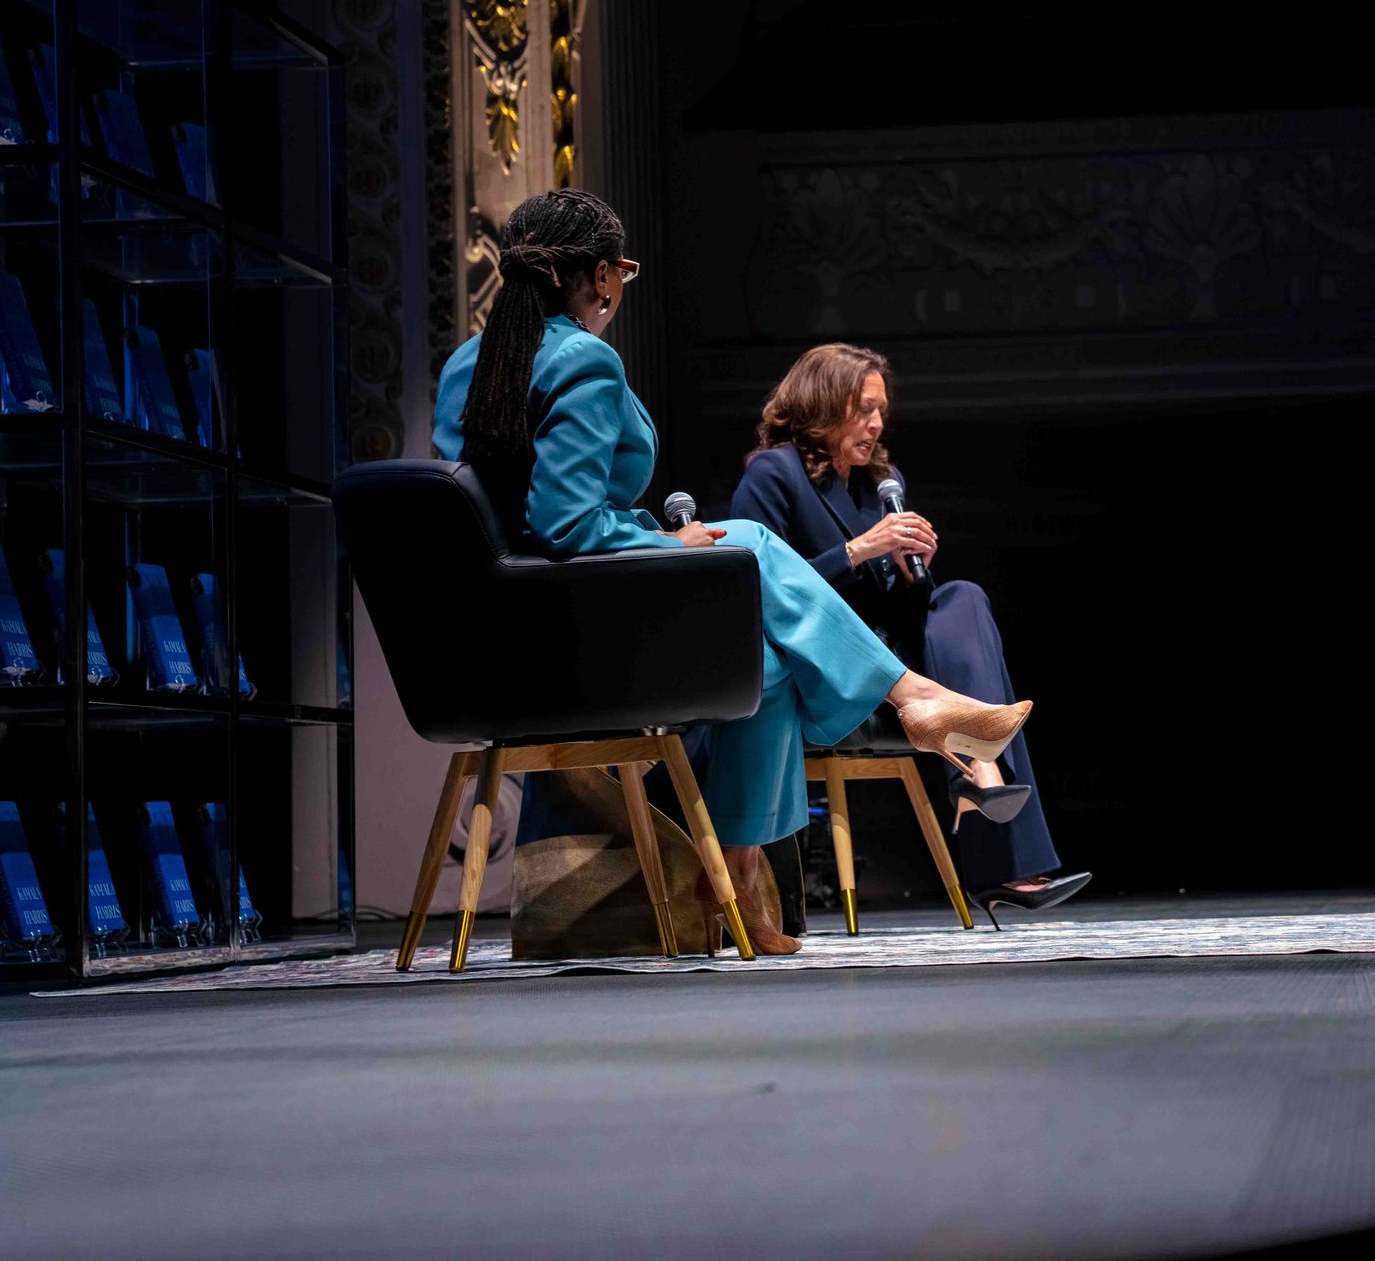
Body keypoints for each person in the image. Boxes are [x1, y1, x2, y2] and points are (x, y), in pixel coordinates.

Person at [431, 190, 1031, 956]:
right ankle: (916, 698)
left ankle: (739, 888)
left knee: (767, 660)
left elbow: (521, 523)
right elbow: (564, 527)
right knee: (743, 538)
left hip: (510, 639)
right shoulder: (581, 358)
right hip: (577, 643)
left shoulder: (466, 364)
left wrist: (651, 535)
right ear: (604, 278)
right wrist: (666, 543)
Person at [729, 344, 1092, 919]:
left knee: (961, 597)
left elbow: (902, 610)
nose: (876, 423)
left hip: (893, 658)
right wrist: (859, 550)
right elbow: (758, 588)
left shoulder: (883, 480)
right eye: (863, 408)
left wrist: (910, 575)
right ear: (823, 404)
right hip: (826, 667)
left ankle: (982, 768)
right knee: (953, 611)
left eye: (881, 411)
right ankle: (989, 797)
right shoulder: (774, 473)